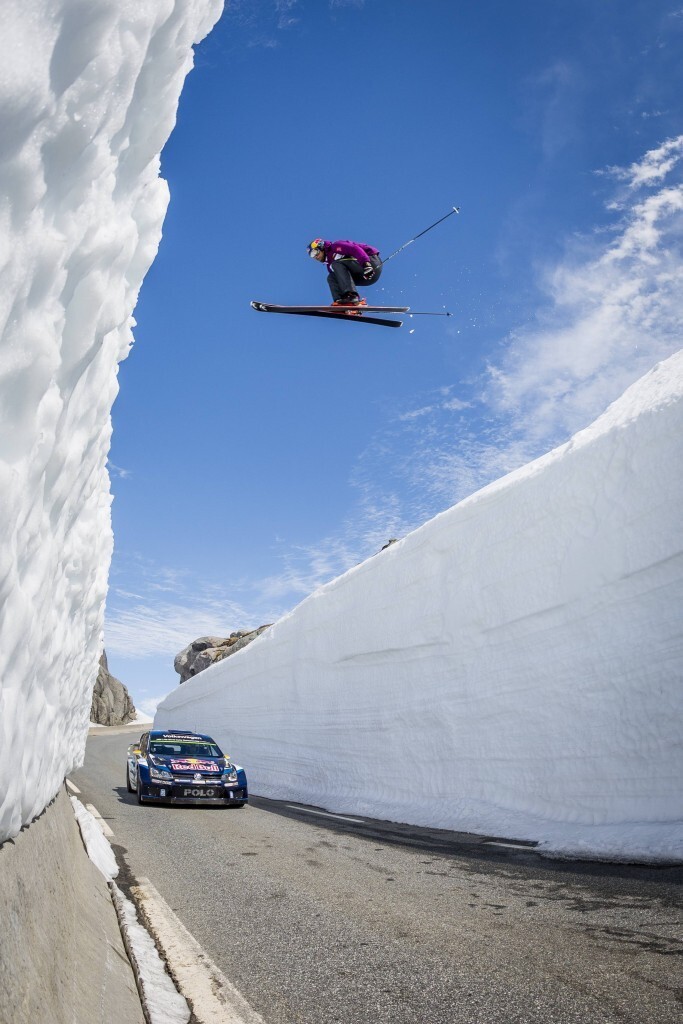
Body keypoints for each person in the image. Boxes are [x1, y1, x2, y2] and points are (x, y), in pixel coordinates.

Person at [307, 238, 382, 313]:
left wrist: (367, 265)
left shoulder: (335, 247)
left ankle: (352, 297)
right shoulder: (329, 265)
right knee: (331, 277)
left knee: (336, 264)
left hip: (371, 263)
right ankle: (341, 304)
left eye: (315, 252)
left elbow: (355, 249)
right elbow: (340, 280)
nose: (315, 257)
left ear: (321, 247)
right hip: (363, 277)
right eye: (312, 256)